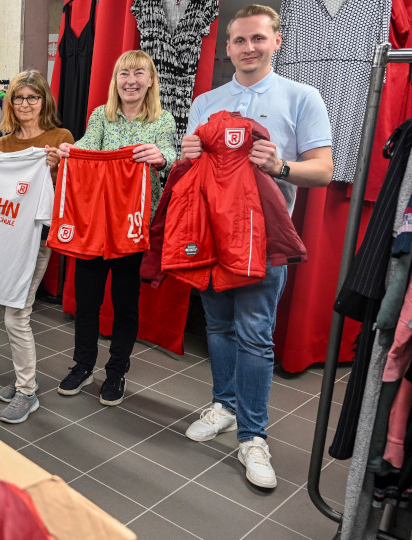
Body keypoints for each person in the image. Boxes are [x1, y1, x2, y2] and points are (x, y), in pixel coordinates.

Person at [180, 5, 333, 489]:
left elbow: (324, 170)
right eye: (240, 41)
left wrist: (280, 166)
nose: (249, 48)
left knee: (255, 335)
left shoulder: (302, 96)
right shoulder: (206, 101)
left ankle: (253, 436)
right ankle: (224, 406)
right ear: (227, 48)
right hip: (210, 235)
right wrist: (187, 155)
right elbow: (194, 170)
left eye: (258, 39)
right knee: (219, 326)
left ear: (277, 41)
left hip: (264, 240)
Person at [55, 50, 175, 407]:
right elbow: (87, 146)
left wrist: (161, 157)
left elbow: (170, 154)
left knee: (125, 305)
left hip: (134, 230)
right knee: (87, 302)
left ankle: (117, 369)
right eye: (124, 74)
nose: (131, 81)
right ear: (115, 80)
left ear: (150, 80)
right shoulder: (101, 116)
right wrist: (70, 151)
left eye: (139, 73)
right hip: (95, 227)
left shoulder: (163, 121)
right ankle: (82, 364)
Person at [0, 70, 73, 423]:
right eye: (19, 98)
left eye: (32, 97)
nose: (25, 104)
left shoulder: (60, 138)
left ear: (44, 102)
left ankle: (27, 391)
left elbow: (75, 188)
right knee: (13, 312)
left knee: (16, 315)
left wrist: (59, 166)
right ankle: (23, 380)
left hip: (36, 238)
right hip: (9, 237)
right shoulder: (4, 143)